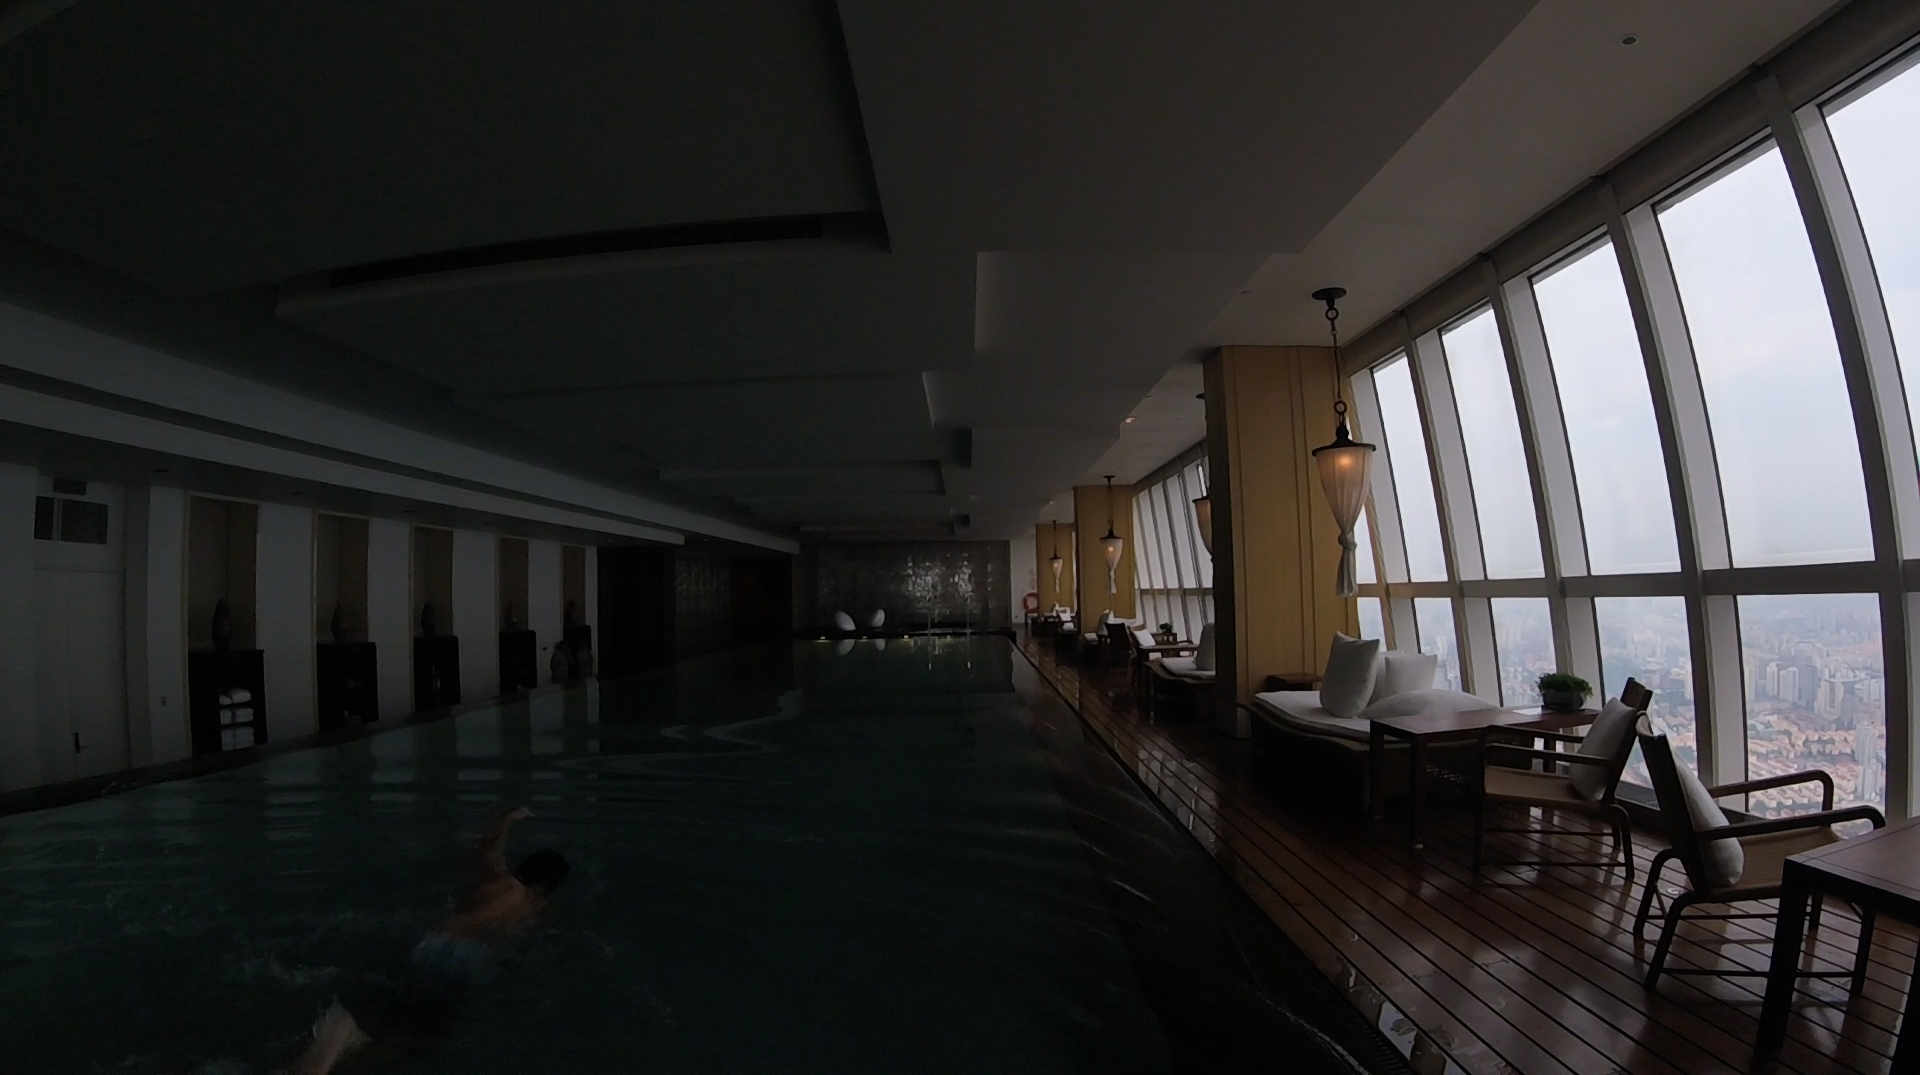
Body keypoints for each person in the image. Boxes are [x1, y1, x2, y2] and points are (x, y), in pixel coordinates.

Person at [284, 805, 568, 1074]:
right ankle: (347, 1029)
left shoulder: (503, 883)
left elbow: (487, 850)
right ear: (548, 886)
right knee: (423, 1032)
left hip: (434, 947)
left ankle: (348, 1039)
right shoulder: (523, 903)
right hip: (457, 959)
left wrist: (507, 820)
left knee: (415, 1024)